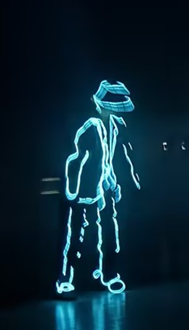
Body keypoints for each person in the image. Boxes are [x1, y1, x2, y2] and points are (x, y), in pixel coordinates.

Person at [57, 80, 141, 294]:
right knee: (77, 233)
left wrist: (116, 182)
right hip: (84, 191)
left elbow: (113, 158)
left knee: (108, 233)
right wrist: (73, 192)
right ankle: (65, 278)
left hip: (105, 188)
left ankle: (108, 275)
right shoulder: (89, 125)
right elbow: (79, 159)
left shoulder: (115, 125)